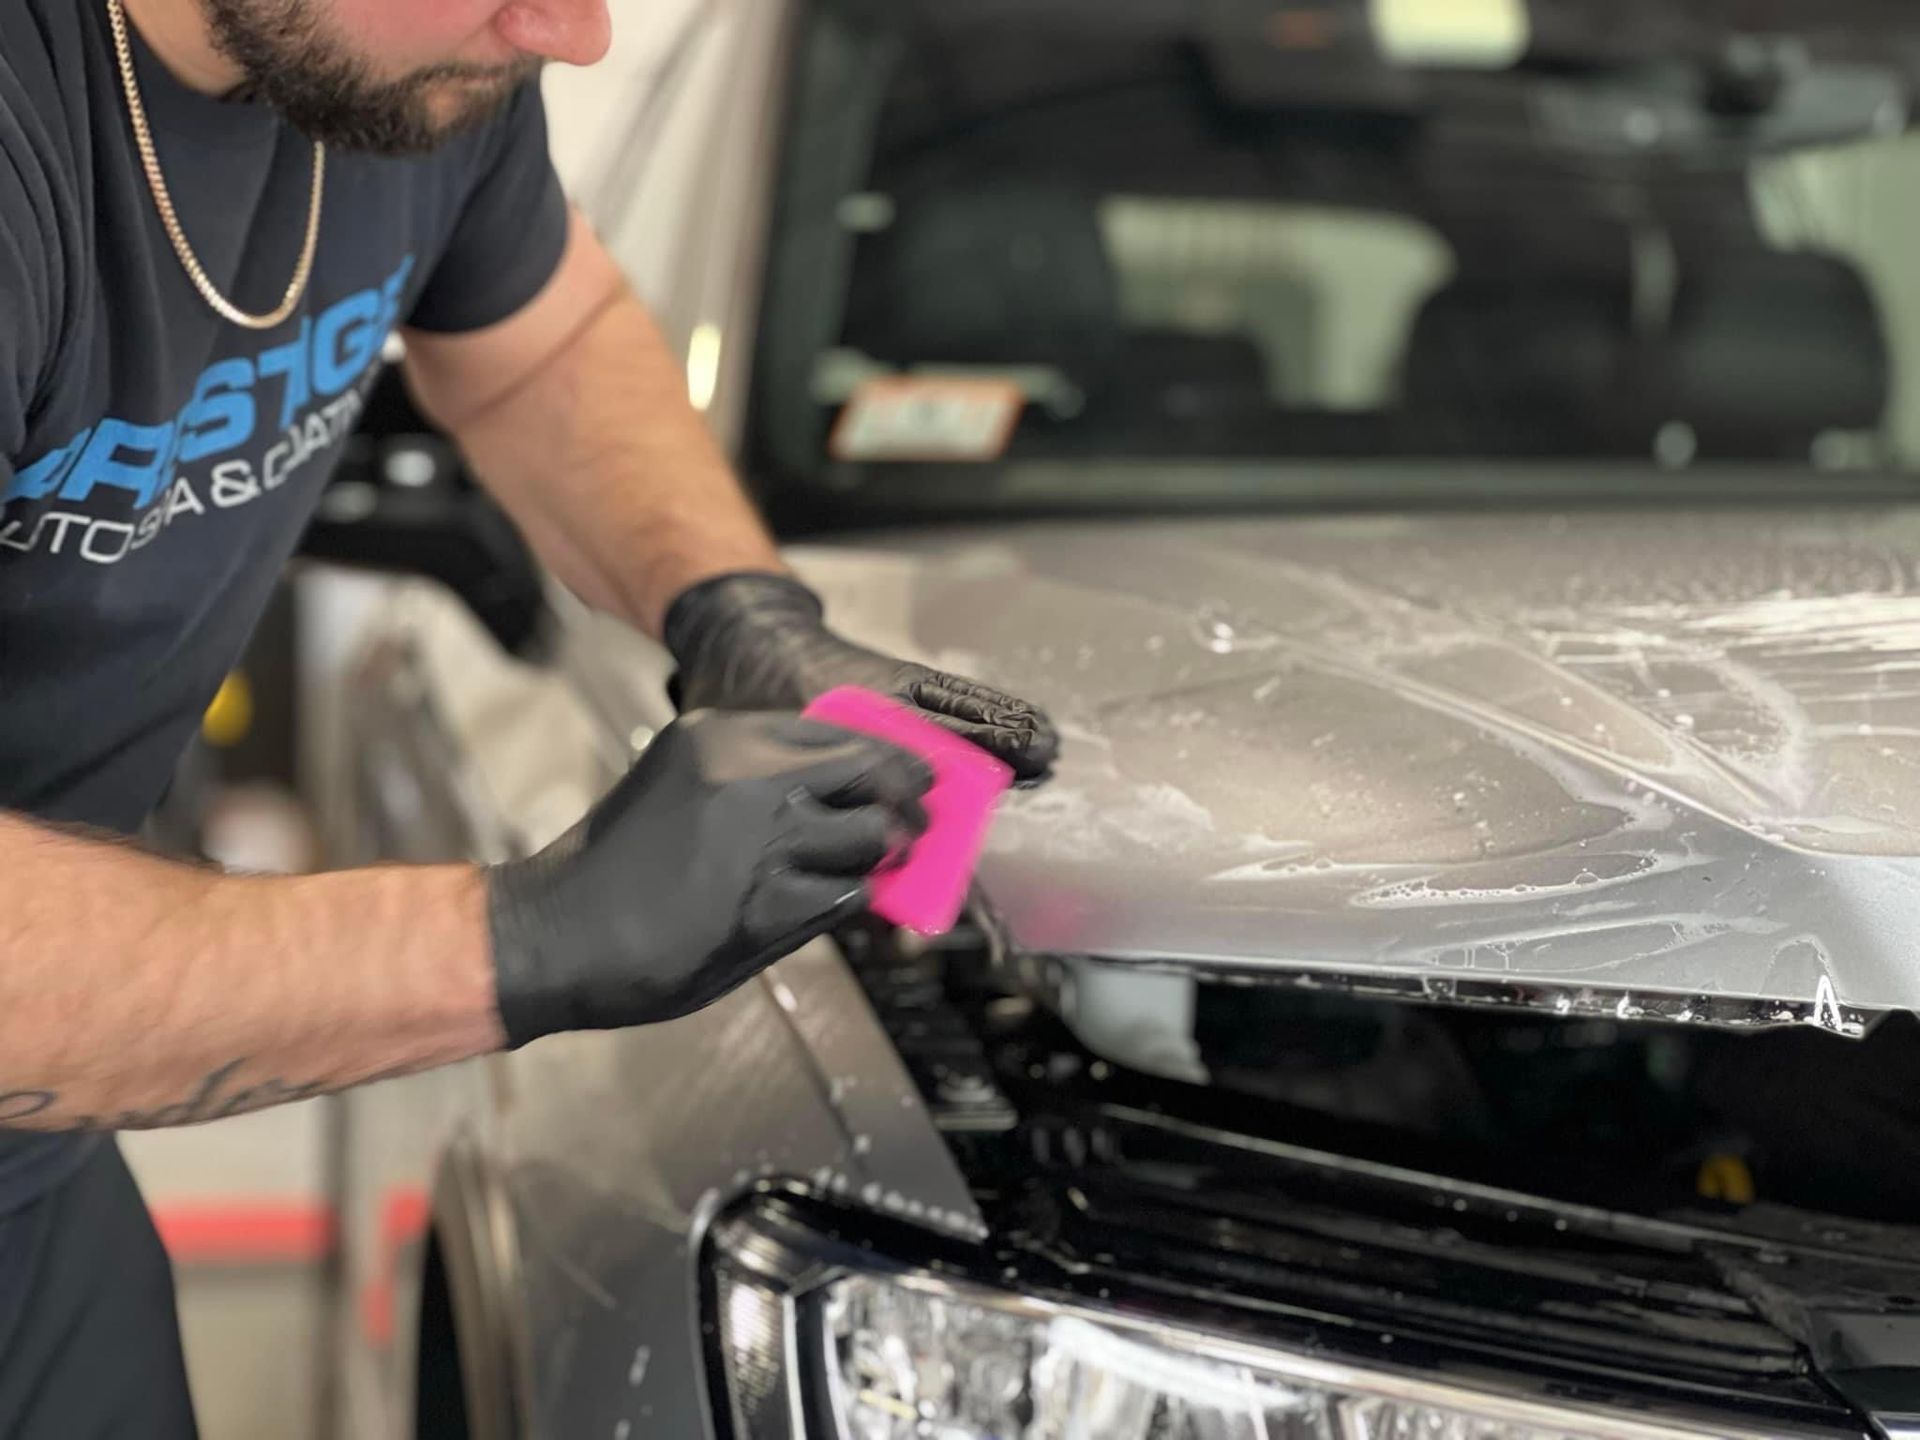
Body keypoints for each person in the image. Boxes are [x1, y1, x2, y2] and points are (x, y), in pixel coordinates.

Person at [0, 0, 1059, 1431]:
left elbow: (543, 337)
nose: (573, 34)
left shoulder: (418, 73)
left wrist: (733, 610)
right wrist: (523, 937)